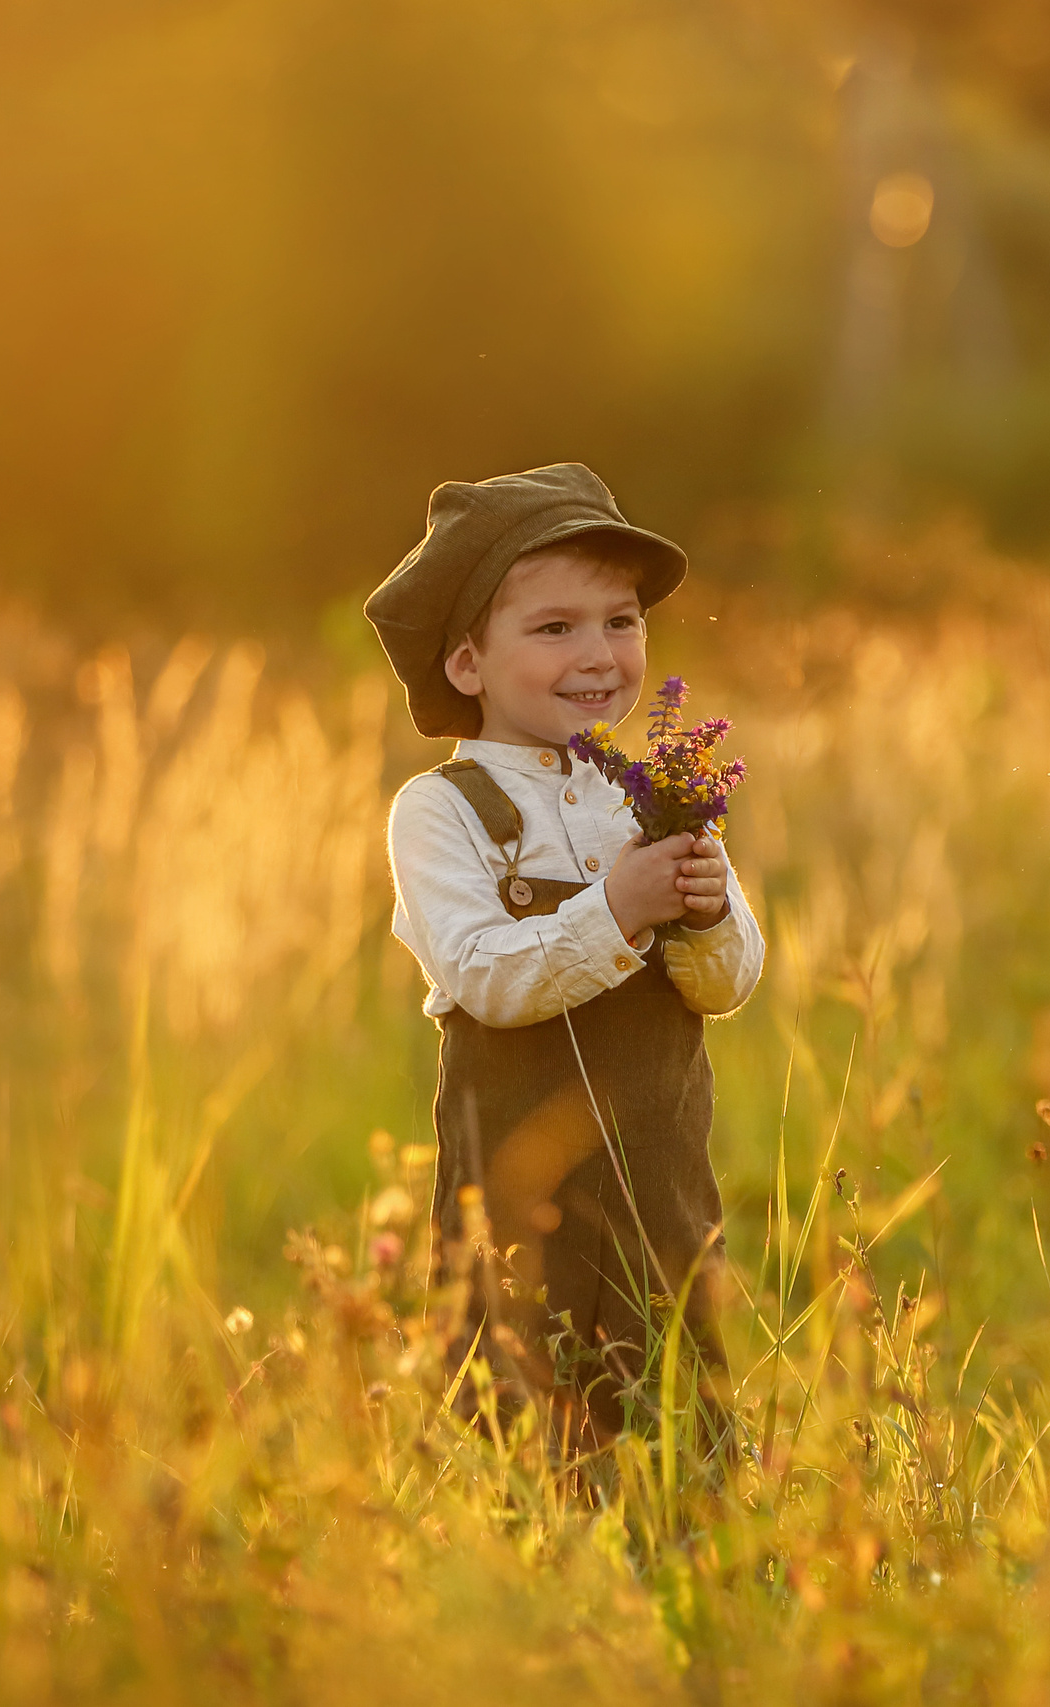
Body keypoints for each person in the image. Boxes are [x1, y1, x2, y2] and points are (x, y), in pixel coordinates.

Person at [364, 463, 764, 1447]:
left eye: (621, 621)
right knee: (521, 1414)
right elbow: (485, 978)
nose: (598, 654)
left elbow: (724, 985)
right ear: (468, 664)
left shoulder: (653, 796)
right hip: (519, 1216)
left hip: (661, 1199)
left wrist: (708, 911)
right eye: (554, 628)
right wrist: (617, 909)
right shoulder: (443, 811)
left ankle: (682, 1530)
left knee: (675, 1415)